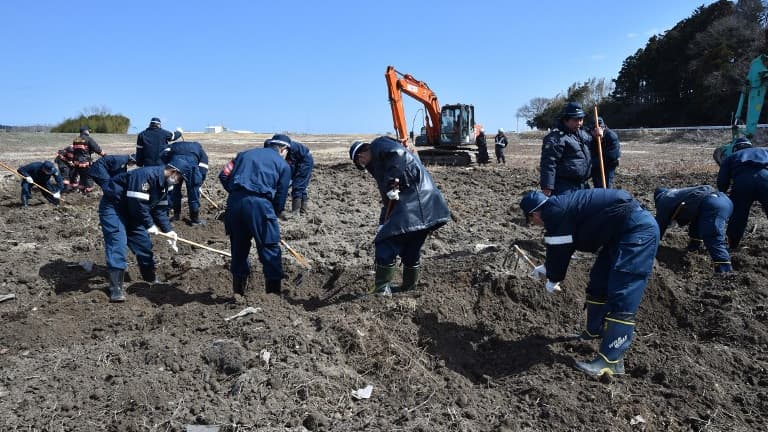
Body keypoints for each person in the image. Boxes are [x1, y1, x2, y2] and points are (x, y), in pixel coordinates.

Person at [519, 188, 659, 377]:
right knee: (598, 282)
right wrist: (547, 267)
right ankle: (593, 331)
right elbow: (562, 246)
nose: (534, 224)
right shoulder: (558, 208)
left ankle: (611, 361)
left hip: (637, 231)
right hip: (618, 234)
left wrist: (553, 277)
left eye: (531, 221)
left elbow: (559, 249)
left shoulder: (553, 212)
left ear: (534, 213)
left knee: (623, 292)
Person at [349, 136, 451, 295]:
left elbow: (398, 154)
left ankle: (381, 290)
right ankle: (409, 287)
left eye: (361, 163)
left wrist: (391, 182)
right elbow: (388, 200)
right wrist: (383, 223)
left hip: (415, 203)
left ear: (361, 156)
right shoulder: (383, 167)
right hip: (427, 204)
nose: (364, 166)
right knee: (410, 247)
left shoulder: (378, 145)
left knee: (385, 243)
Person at [98, 160, 190, 302]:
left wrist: (169, 230)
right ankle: (115, 288)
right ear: (173, 172)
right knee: (118, 242)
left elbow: (159, 210)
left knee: (144, 245)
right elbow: (137, 204)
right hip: (115, 209)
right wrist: (149, 225)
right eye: (180, 178)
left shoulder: (166, 185)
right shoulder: (146, 175)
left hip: (134, 212)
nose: (179, 182)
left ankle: (150, 278)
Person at [218, 139, 291, 296]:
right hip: (261, 206)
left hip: (235, 204)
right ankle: (273, 298)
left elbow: (223, 174)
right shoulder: (282, 164)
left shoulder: (243, 155)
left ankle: (238, 295)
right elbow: (281, 195)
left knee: (238, 248)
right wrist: (275, 211)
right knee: (269, 247)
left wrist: (235, 192)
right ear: (283, 149)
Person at [654, 185, 733, 272]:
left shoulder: (663, 200)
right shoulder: (677, 194)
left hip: (712, 204)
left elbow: (658, 227)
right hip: (725, 200)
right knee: (697, 219)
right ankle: (694, 246)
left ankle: (725, 269)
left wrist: (651, 245)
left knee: (712, 236)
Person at [716, 137, 768, 249]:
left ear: (735, 148)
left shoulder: (731, 157)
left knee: (738, 214)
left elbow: (722, 180)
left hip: (743, 183)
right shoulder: (764, 151)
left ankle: (733, 244)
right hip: (765, 180)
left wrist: (722, 192)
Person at [540, 102, 601, 196]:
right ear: (566, 120)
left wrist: (598, 135)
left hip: (583, 185)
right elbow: (549, 163)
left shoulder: (583, 134)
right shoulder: (555, 138)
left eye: (581, 119)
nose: (579, 123)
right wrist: (547, 186)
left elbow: (595, 144)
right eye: (576, 120)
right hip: (564, 186)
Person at [161, 140, 209, 225]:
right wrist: (199, 183)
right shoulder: (199, 148)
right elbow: (203, 167)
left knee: (175, 190)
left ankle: (176, 215)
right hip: (191, 167)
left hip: (175, 165)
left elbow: (163, 154)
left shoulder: (174, 145)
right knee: (193, 192)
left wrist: (169, 164)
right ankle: (195, 219)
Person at [265, 134, 314, 216]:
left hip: (305, 161)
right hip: (297, 160)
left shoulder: (289, 149)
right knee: (299, 184)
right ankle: (303, 210)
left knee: (299, 184)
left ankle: (297, 211)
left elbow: (288, 166)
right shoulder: (273, 146)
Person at [71, 126, 106, 193]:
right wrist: (105, 155)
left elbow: (78, 150)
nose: (89, 132)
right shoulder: (88, 139)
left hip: (76, 163)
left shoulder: (76, 140)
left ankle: (81, 190)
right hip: (85, 163)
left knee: (82, 176)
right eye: (88, 131)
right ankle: (88, 192)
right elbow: (97, 149)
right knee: (89, 177)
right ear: (85, 131)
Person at [588, 117, 621, 188]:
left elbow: (611, 156)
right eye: (593, 131)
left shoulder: (611, 136)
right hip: (596, 164)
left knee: (606, 184)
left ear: (603, 128)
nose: (594, 132)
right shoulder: (589, 136)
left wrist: (601, 139)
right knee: (597, 183)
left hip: (609, 164)